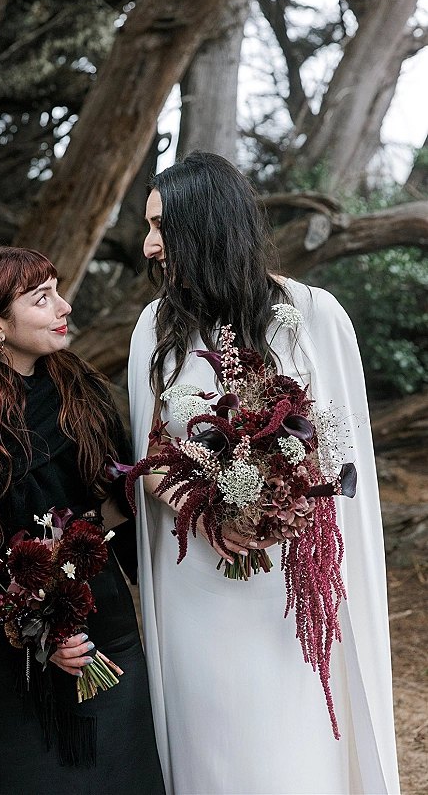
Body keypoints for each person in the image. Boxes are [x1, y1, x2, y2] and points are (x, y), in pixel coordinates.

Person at [128, 151, 400, 795]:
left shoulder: (315, 314)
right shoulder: (157, 327)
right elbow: (149, 453)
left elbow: (339, 448)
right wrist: (207, 514)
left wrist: (280, 507)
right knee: (214, 744)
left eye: (161, 226)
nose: (149, 245)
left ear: (205, 225)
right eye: (149, 227)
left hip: (292, 574)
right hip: (198, 573)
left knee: (290, 740)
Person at [0, 246, 165, 795]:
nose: (64, 306)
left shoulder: (84, 392)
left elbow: (120, 505)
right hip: (4, 649)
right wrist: (34, 622)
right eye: (42, 298)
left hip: (104, 632)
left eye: (57, 291)